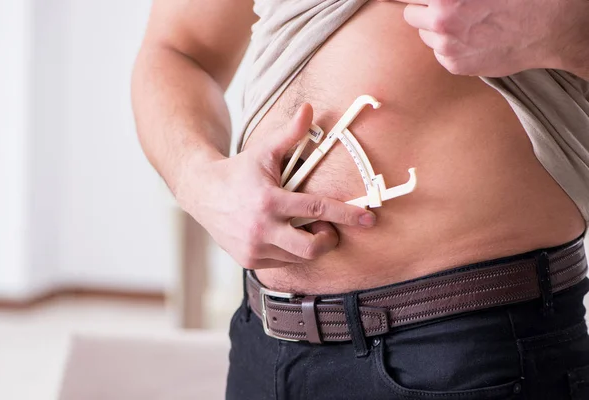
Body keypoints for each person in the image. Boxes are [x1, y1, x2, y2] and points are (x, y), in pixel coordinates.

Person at [131, 0, 589, 399]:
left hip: (471, 345)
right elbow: (179, 50)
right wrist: (200, 180)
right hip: (266, 343)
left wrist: (570, 30)